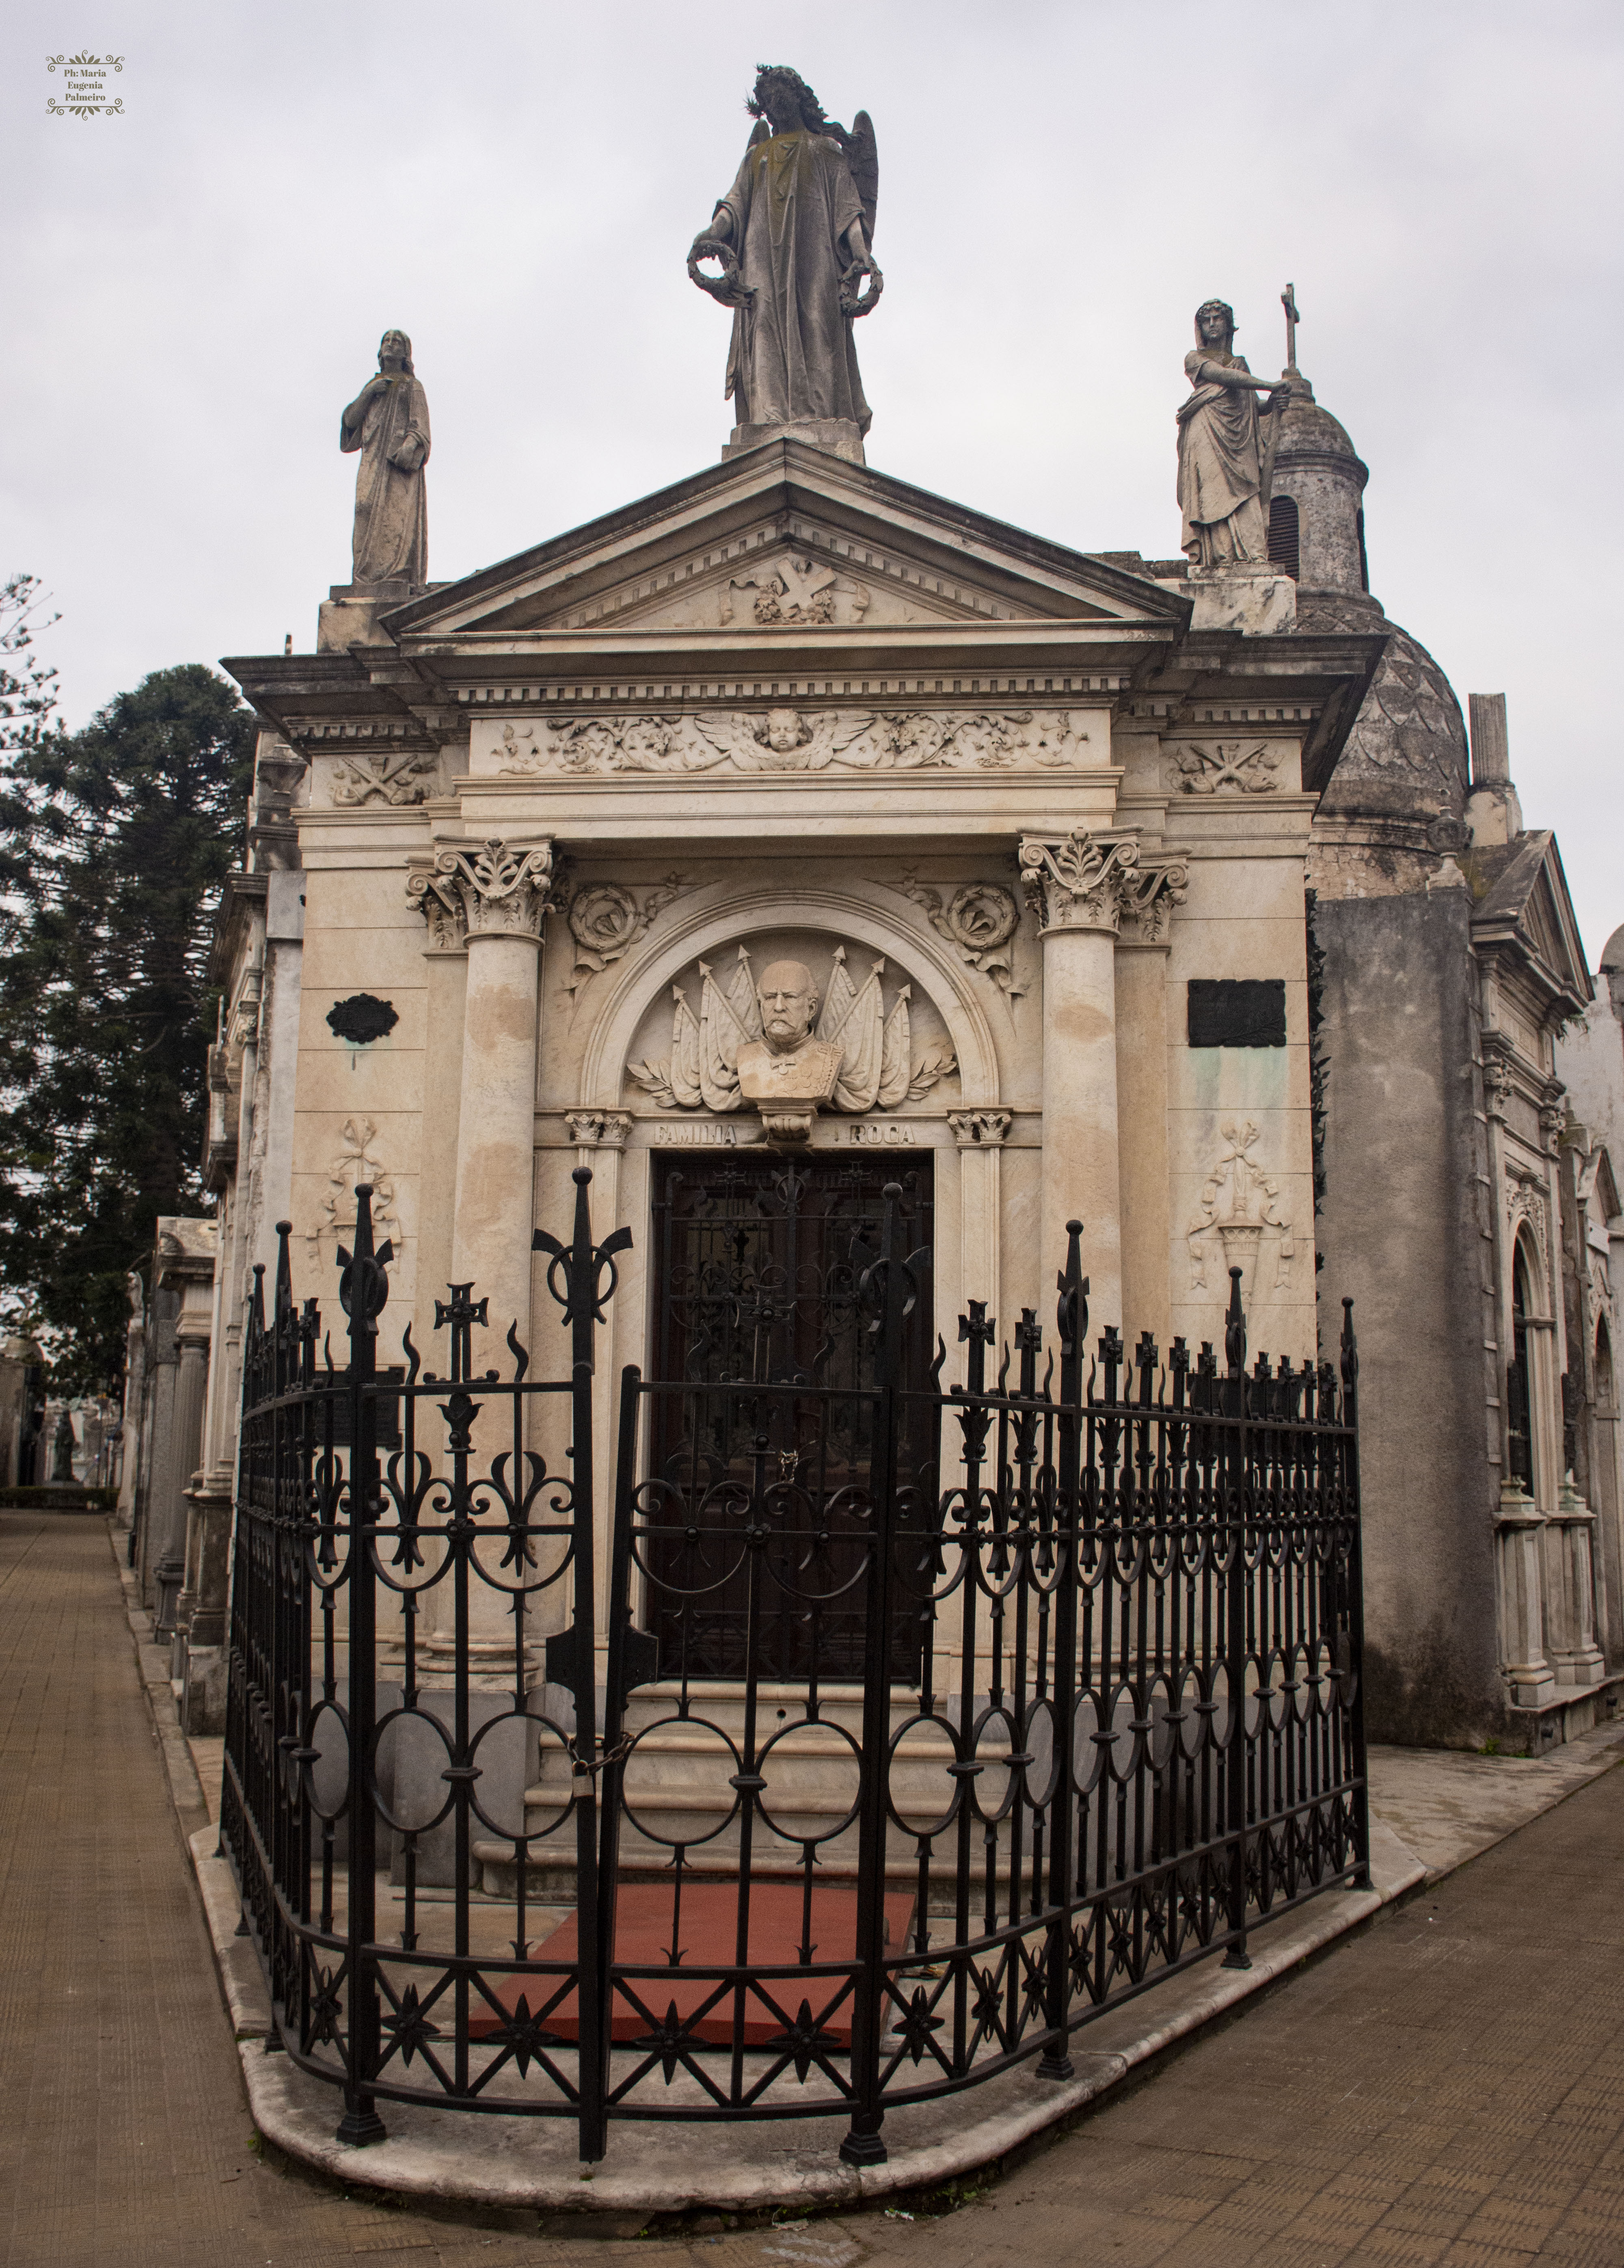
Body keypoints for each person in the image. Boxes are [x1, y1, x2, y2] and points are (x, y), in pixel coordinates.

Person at [688, 66, 878, 438]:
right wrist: (711, 234)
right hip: (761, 249)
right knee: (763, 321)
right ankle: (769, 415)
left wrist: (861, 255)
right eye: (767, 100)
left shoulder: (825, 151)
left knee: (819, 319)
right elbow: (734, 205)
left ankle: (821, 414)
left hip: (814, 249)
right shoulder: (757, 156)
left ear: (798, 97)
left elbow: (848, 211)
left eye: (781, 94)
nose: (775, 103)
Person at [1176, 301, 1290, 568]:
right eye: (1207, 320)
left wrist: (1272, 404)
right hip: (1205, 429)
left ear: (1229, 325)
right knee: (1213, 493)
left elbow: (1250, 404)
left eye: (1218, 318)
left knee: (1248, 491)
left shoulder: (1241, 364)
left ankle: (1250, 555)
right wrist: (1269, 385)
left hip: (1239, 442)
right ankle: (1219, 557)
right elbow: (1224, 377)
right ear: (1201, 328)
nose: (1213, 324)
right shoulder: (1195, 359)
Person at [340, 330, 430, 586]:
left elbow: (420, 428)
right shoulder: (372, 387)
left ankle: (394, 574)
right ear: (380, 351)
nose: (390, 345)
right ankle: (364, 576)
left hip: (397, 467)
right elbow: (350, 423)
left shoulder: (412, 386)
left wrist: (408, 446)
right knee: (365, 509)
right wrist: (369, 394)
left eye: (397, 342)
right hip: (372, 461)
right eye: (386, 341)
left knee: (395, 513)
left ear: (405, 353)